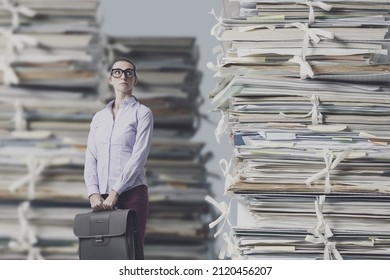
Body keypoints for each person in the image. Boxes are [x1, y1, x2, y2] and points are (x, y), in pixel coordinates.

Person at [84, 57, 153, 251]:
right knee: (103, 251)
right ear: (110, 79)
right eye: (118, 72)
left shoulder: (142, 113)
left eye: (129, 72)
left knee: (131, 250)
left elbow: (138, 157)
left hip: (132, 192)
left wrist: (115, 192)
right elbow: (91, 157)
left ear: (135, 80)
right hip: (101, 198)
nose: (123, 76)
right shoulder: (99, 118)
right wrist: (93, 193)